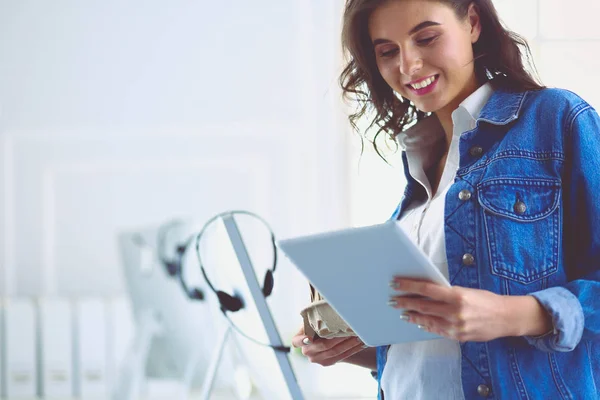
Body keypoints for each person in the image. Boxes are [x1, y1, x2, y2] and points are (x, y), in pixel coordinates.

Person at [291, 0, 600, 399]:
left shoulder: (555, 120)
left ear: (472, 23)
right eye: (387, 51)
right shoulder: (420, 171)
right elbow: (440, 354)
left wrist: (515, 314)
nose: (409, 66)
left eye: (427, 38)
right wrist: (360, 350)